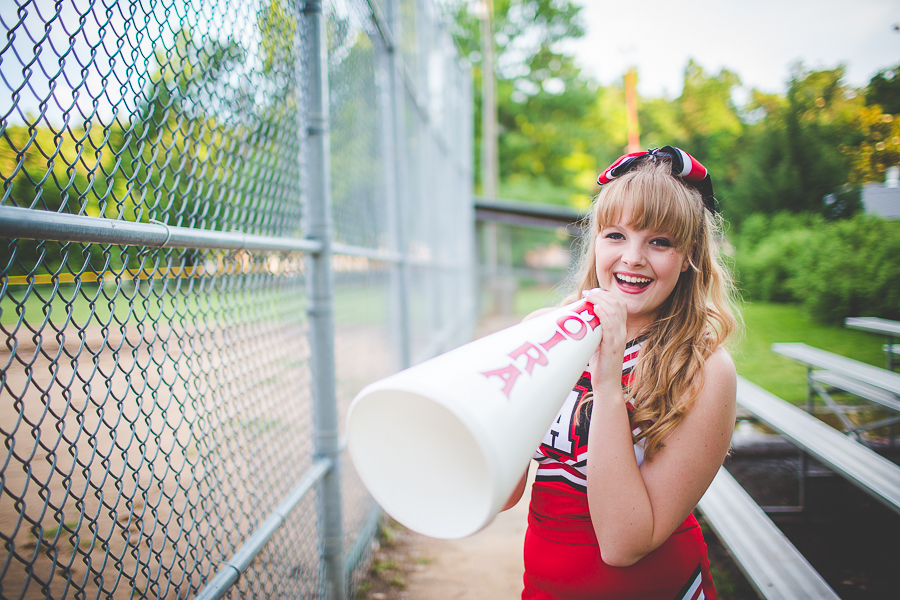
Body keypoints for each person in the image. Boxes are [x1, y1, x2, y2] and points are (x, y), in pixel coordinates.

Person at [503, 147, 740, 600]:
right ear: (595, 241)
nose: (632, 257)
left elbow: (623, 544)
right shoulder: (544, 332)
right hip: (544, 588)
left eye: (660, 241)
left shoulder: (705, 367)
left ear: (689, 254)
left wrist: (607, 382)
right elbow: (501, 494)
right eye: (615, 235)